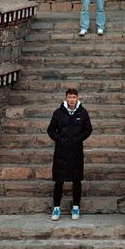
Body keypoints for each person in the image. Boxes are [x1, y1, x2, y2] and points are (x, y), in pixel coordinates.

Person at [47, 87, 93, 221]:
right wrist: (60, 139)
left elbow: (88, 129)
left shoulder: (82, 113)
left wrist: (78, 139)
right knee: (59, 181)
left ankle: (76, 207)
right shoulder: (58, 113)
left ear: (77, 98)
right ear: (66, 98)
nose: (72, 100)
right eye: (69, 97)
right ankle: (56, 208)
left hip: (76, 151)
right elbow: (50, 130)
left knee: (76, 180)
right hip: (61, 151)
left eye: (74, 97)